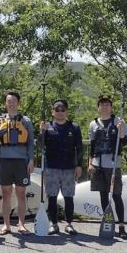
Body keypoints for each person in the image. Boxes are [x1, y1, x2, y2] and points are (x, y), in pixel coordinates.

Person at [0, 90, 35, 235]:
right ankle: (6, 225)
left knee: (21, 193)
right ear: (5, 103)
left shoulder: (26, 121)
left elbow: (30, 143)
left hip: (21, 161)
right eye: (9, 100)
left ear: (18, 103)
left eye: (14, 100)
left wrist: (31, 160)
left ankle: (21, 224)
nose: (11, 103)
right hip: (5, 160)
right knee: (6, 193)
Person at [88, 95, 127, 239]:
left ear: (111, 107)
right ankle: (107, 221)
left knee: (117, 195)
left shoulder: (118, 121)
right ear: (98, 107)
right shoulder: (93, 124)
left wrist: (121, 130)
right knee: (103, 195)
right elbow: (92, 146)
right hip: (98, 164)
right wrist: (90, 162)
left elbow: (124, 141)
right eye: (102, 104)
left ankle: (122, 226)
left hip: (113, 165)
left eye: (107, 105)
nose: (105, 107)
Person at [40, 99, 84, 235]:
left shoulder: (74, 127)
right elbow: (40, 146)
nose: (60, 112)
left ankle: (69, 224)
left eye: (63, 110)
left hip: (69, 167)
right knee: (52, 196)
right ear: (53, 112)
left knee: (68, 196)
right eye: (57, 110)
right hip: (52, 167)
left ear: (67, 111)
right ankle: (54, 224)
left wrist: (79, 165)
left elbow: (80, 148)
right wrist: (41, 132)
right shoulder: (47, 127)